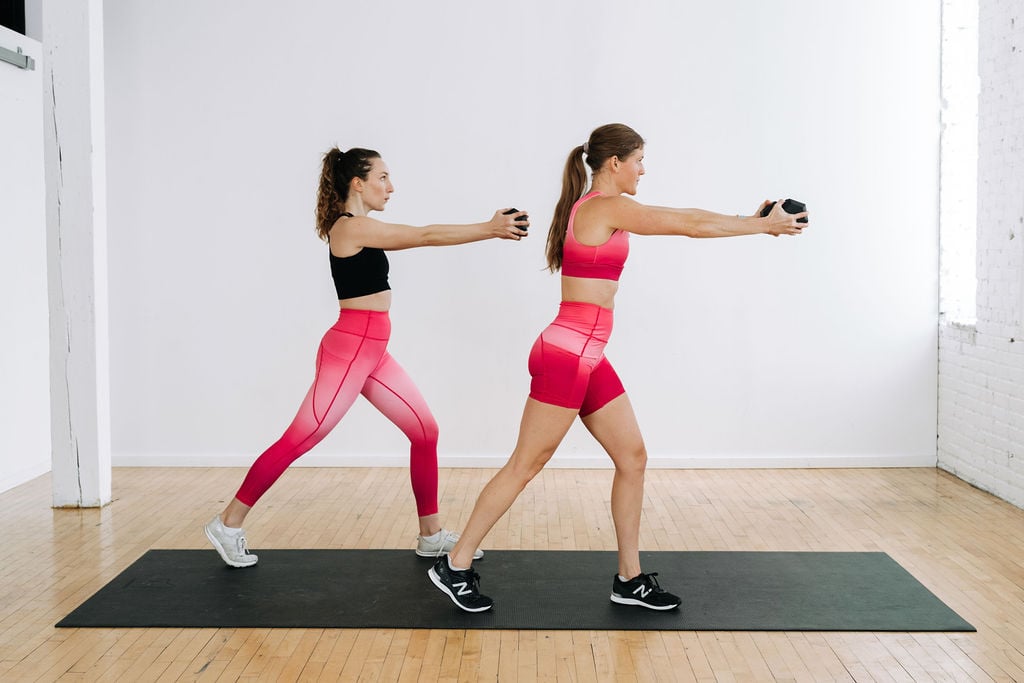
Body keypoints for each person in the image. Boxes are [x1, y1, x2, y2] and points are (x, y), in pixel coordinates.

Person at [428, 123, 808, 612]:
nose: (643, 170)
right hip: (566, 355)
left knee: (633, 458)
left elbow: (682, 216)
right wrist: (762, 226)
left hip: (587, 357)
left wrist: (747, 217)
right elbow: (686, 223)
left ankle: (629, 578)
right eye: (639, 161)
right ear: (615, 163)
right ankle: (455, 564)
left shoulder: (606, 209)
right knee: (526, 465)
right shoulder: (603, 207)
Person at [205, 146, 529, 568]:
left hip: (372, 351)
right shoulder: (349, 228)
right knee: (301, 437)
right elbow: (425, 235)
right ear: (358, 183)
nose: (390, 187)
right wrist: (489, 228)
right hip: (350, 350)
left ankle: (431, 535)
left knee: (425, 431)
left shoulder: (361, 227)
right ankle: (228, 523)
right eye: (382, 178)